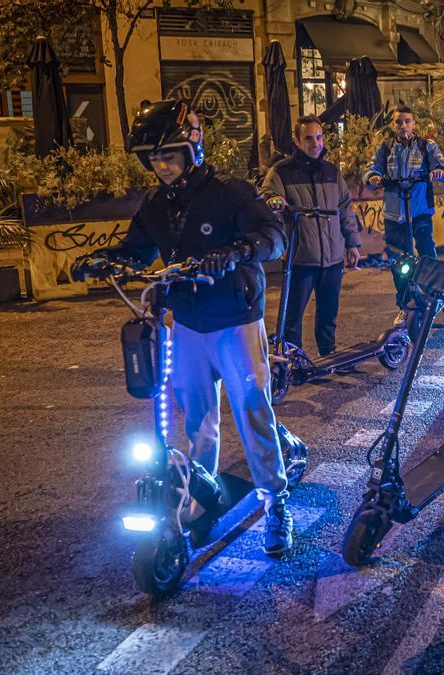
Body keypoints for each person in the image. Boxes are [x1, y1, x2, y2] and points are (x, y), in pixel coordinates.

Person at [70, 100, 295, 555]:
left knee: (253, 414)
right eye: (154, 160)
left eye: (169, 156)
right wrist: (102, 260)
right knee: (198, 423)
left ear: (192, 148)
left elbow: (274, 237)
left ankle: (275, 503)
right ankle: (200, 498)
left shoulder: (229, 191)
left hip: (235, 323)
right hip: (187, 323)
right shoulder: (155, 202)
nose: (162, 167)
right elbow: (137, 248)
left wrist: (235, 252)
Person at [261, 114, 362, 357]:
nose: (315, 143)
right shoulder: (281, 172)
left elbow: (345, 209)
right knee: (292, 314)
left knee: (328, 313)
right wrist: (273, 200)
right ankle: (292, 359)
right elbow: (266, 193)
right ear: (297, 141)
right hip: (301, 257)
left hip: (332, 257)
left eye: (318, 137)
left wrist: (352, 243)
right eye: (308, 139)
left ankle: (329, 355)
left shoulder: (331, 172)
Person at [364, 106, 444, 322]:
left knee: (427, 255)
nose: (403, 126)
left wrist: (439, 170)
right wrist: (373, 177)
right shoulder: (385, 148)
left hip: (420, 212)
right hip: (394, 216)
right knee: (398, 263)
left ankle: (435, 296)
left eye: (407, 121)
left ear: (414, 124)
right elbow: (370, 170)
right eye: (398, 122)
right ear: (393, 125)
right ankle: (405, 305)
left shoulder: (426, 146)